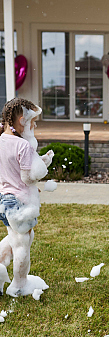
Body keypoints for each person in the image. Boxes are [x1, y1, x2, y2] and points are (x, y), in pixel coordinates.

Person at [0, 98, 54, 297]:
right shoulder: (23, 146)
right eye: (33, 121)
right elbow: (27, 178)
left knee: (13, 237)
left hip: (3, 200)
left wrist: (38, 161)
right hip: (19, 202)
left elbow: (10, 171)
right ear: (22, 121)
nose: (35, 125)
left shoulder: (1, 140)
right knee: (23, 242)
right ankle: (20, 284)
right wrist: (44, 165)